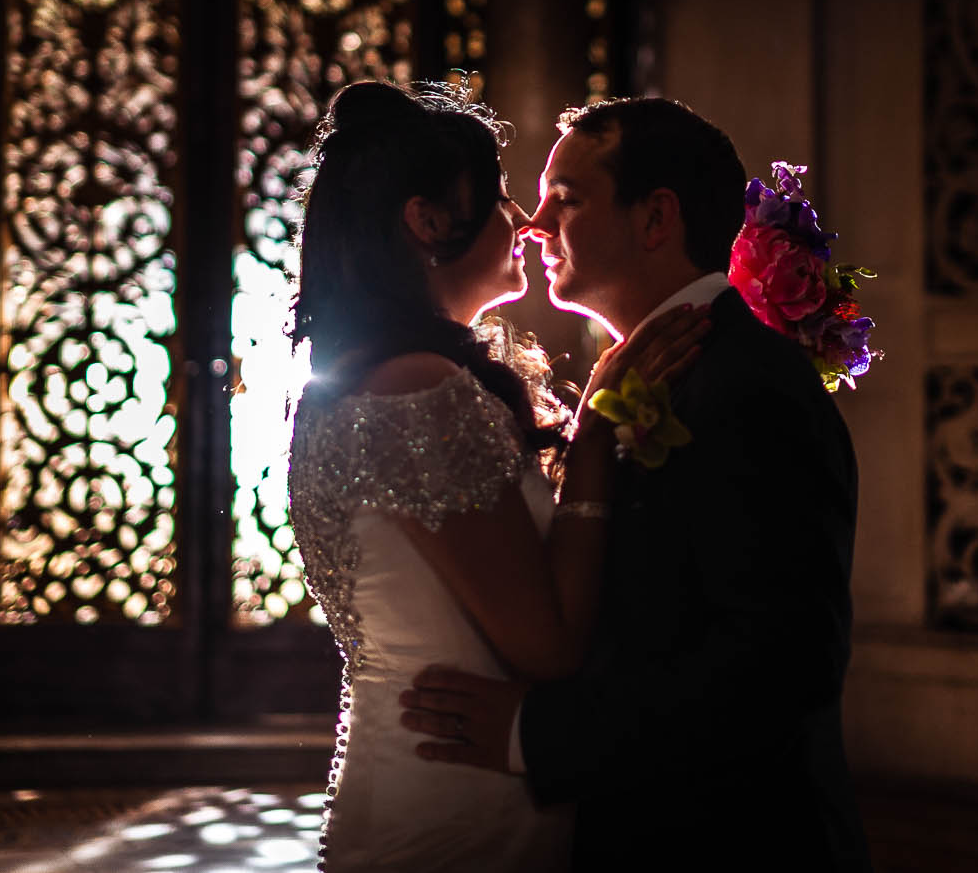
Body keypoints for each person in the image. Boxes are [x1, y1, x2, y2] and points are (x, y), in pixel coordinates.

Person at [400, 97, 872, 871]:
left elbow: (780, 666)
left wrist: (535, 733)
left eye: (568, 199)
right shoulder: (657, 373)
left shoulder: (749, 384)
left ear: (656, 220)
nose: (533, 224)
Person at [286, 81, 706, 873]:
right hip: (458, 800)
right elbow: (546, 647)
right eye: (502, 198)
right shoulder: (416, 392)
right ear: (427, 221)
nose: (523, 223)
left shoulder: (376, 377)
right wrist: (596, 434)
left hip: (426, 772)